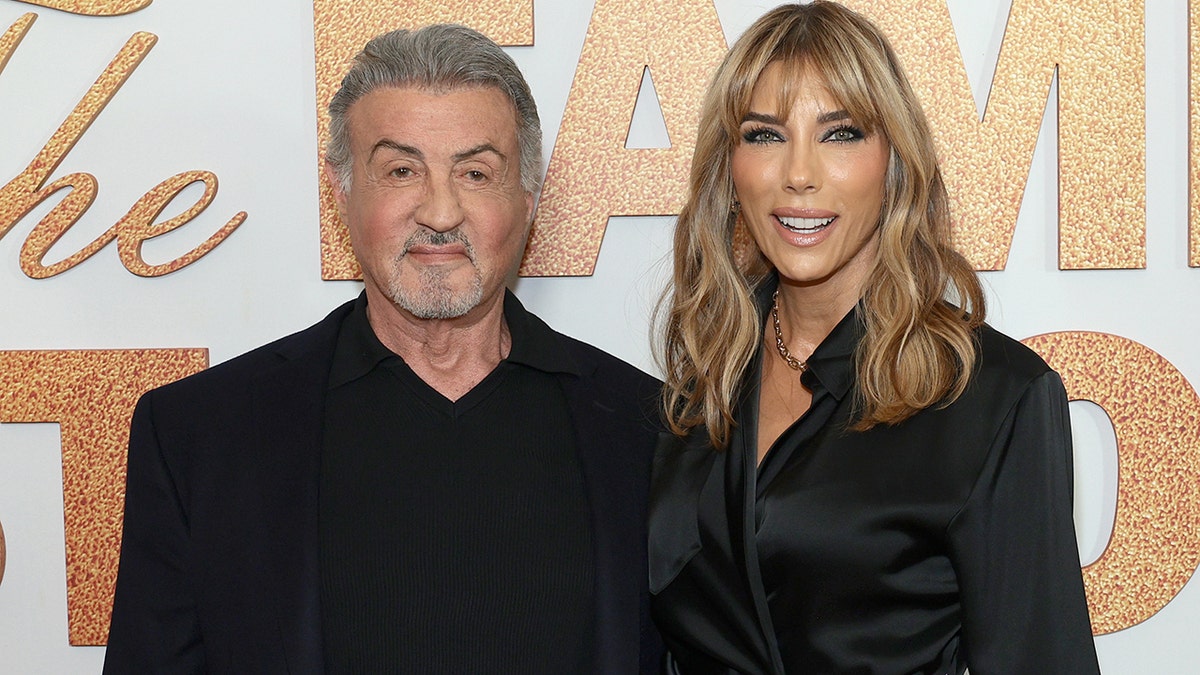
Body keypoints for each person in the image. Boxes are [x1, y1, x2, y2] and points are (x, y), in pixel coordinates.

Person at [104, 24, 662, 674]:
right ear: (341, 190)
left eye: (476, 172)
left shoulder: (649, 431)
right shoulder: (201, 436)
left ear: (528, 197)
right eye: (401, 170)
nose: (441, 210)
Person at [649, 3, 1100, 673]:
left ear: (893, 162)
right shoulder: (701, 384)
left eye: (841, 133)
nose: (798, 173)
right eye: (765, 135)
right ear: (730, 166)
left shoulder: (993, 399)